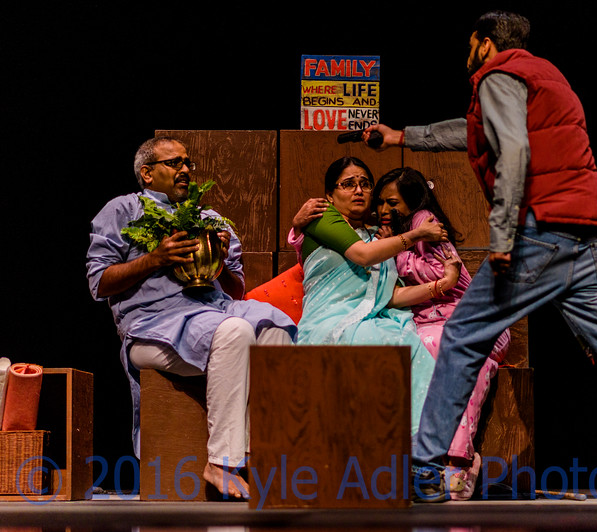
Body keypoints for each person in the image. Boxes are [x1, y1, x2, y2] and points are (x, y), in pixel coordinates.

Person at [365, 10, 597, 503]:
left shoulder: (496, 76)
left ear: (482, 43)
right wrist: (402, 137)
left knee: (461, 334)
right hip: (588, 239)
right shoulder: (546, 77)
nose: (467, 54)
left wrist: (501, 236)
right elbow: (478, 131)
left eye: (469, 44)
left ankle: (427, 467)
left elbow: (513, 150)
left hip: (538, 236)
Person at [86, 136, 298, 499]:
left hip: (213, 311)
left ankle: (261, 457)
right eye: (175, 163)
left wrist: (216, 258)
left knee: (274, 327)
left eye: (188, 163)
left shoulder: (209, 219)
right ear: (147, 174)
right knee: (236, 330)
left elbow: (234, 289)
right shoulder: (124, 210)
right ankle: (221, 462)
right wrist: (155, 259)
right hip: (152, 326)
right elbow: (98, 282)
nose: (185, 170)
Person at [287, 156, 457, 442]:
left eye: (365, 184)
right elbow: (362, 256)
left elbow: (390, 297)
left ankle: (422, 452)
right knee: (379, 344)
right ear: (330, 195)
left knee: (410, 345)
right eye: (348, 184)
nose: (358, 191)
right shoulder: (323, 219)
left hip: (375, 321)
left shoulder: (377, 237)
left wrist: (443, 284)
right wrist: (417, 234)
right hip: (330, 321)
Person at [372, 166, 511, 500]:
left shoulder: (423, 222)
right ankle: (427, 462)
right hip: (427, 318)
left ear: (413, 201)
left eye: (393, 203)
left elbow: (440, 272)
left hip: (468, 318)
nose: (385, 210)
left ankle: (458, 460)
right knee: (416, 347)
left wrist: (396, 252)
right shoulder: (395, 232)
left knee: (449, 350)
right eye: (381, 203)